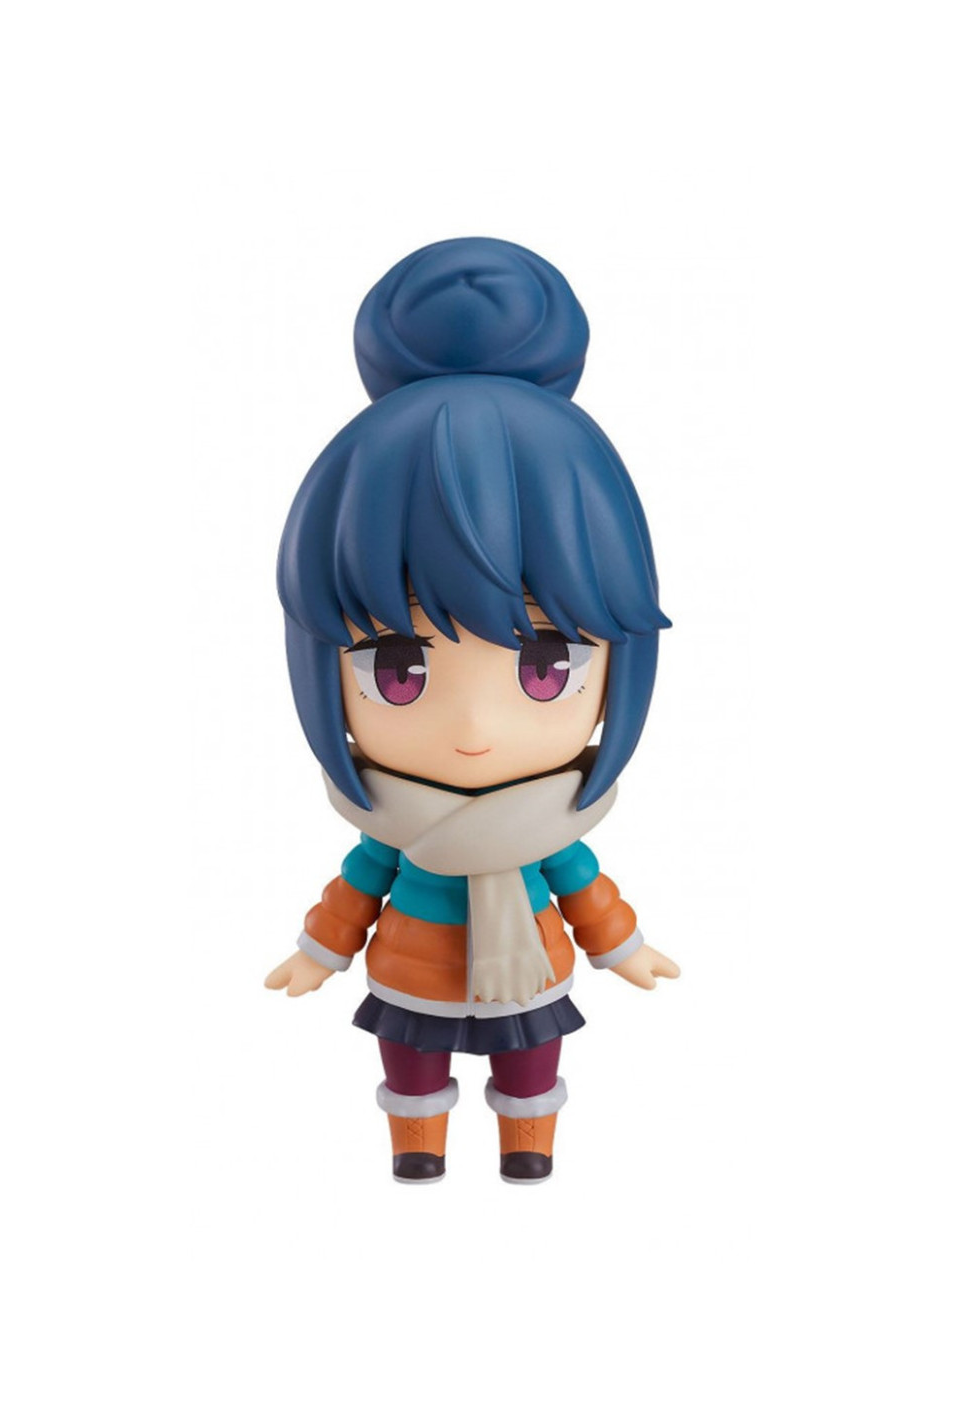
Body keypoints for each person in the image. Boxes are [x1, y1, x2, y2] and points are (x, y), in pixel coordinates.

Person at [266, 237, 678, 1183]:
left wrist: (626, 949)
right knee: (409, 1066)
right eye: (398, 667)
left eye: (545, 664)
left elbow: (584, 891)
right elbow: (355, 891)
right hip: (410, 978)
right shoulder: (391, 830)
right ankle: (417, 1147)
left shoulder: (551, 832)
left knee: (532, 1063)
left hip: (530, 978)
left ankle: (528, 1145)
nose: (473, 729)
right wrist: (315, 953)